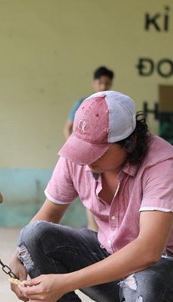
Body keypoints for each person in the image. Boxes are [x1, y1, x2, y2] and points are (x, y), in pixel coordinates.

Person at [9, 91, 173, 302]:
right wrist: (20, 256)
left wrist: (63, 283)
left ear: (130, 142)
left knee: (150, 285)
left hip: (170, 272)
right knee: (33, 237)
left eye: (96, 151)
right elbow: (47, 217)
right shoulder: (78, 158)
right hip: (112, 256)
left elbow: (149, 251)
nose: (86, 159)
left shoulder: (162, 163)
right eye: (82, 148)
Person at [63, 66, 114, 232]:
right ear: (94, 83)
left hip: (107, 157)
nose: (103, 86)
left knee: (107, 193)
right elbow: (67, 128)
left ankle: (107, 230)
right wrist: (77, 151)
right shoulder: (82, 103)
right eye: (100, 82)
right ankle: (93, 231)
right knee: (91, 193)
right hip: (88, 155)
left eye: (107, 83)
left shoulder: (113, 104)